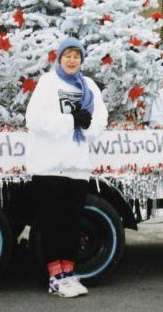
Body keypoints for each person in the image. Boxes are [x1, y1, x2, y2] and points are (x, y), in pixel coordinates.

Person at [25, 36, 108, 298]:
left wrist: (87, 125)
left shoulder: (89, 86)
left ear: (82, 60)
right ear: (59, 59)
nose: (72, 60)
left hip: (76, 166)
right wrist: (70, 120)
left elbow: (101, 118)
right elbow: (35, 119)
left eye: (76, 56)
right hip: (49, 166)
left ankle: (69, 273)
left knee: (72, 223)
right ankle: (54, 276)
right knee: (52, 223)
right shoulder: (49, 83)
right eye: (67, 55)